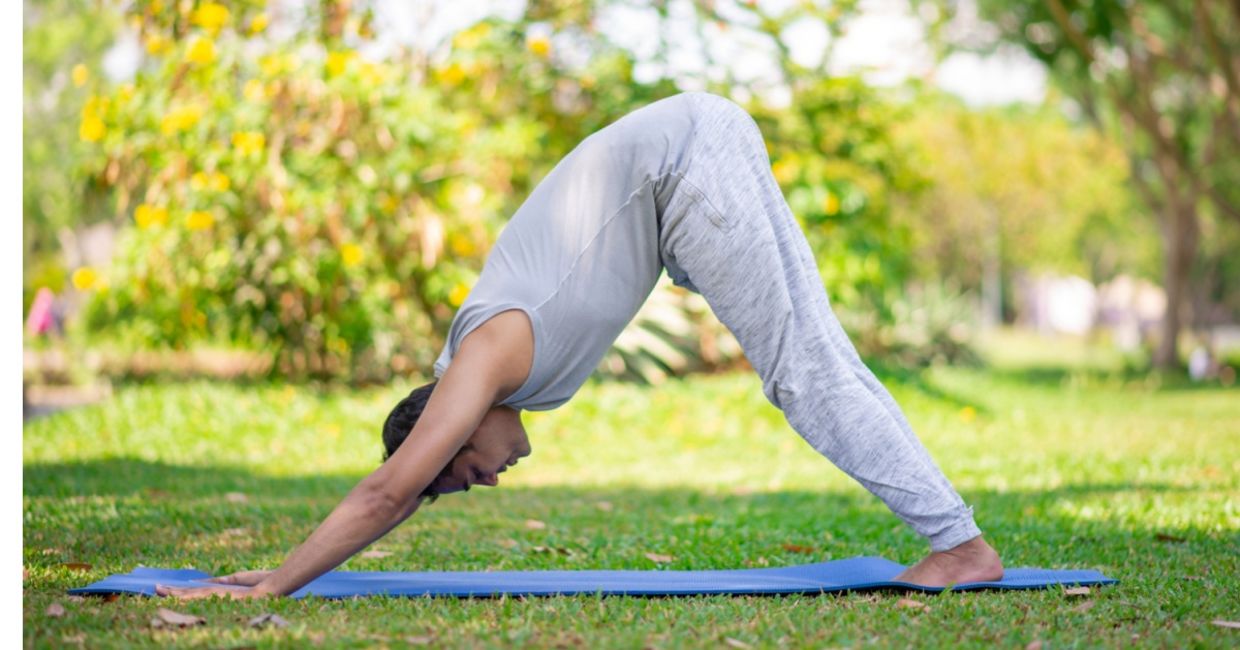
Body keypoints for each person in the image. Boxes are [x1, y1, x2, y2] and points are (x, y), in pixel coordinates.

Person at [157, 91, 1002, 600]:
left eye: (461, 465)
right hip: (694, 154)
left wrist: (272, 583)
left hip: (689, 165)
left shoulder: (484, 353)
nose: (485, 477)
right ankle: (957, 540)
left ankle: (960, 546)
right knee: (818, 362)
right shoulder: (519, 374)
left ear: (449, 419)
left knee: (805, 375)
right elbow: (404, 495)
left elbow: (386, 493)